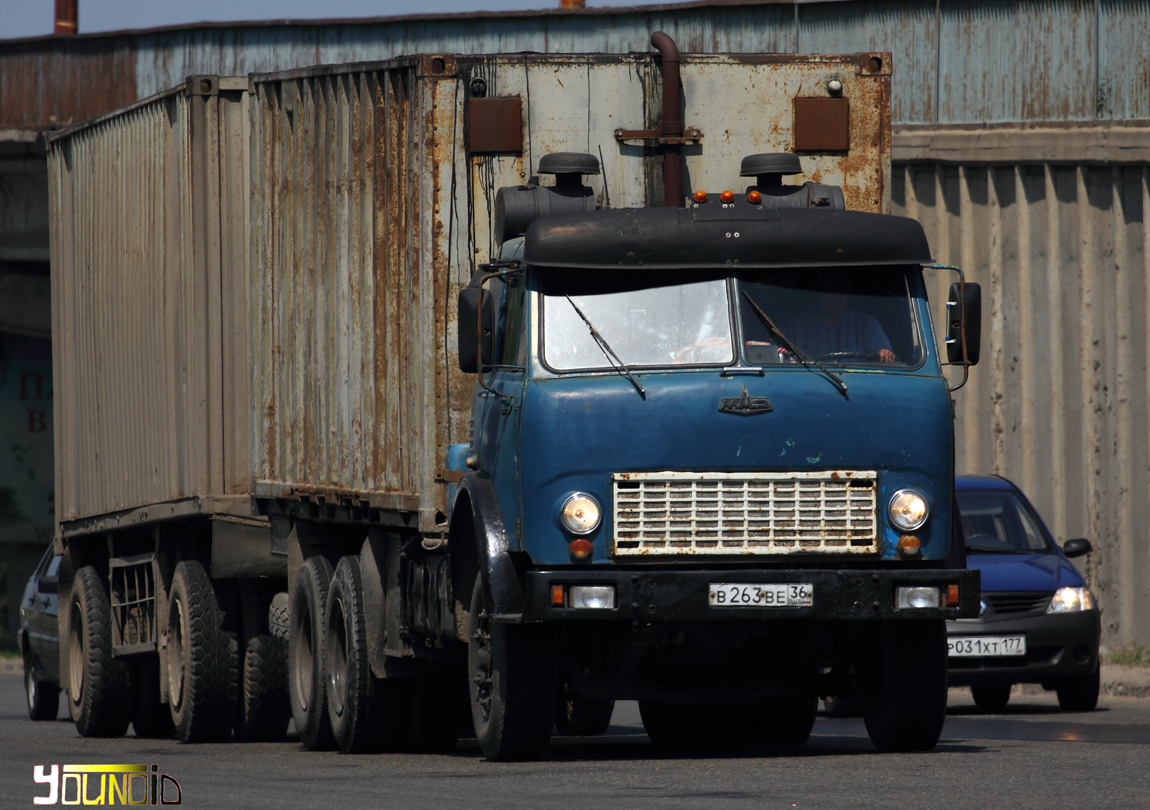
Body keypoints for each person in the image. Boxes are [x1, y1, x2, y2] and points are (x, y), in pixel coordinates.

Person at [773, 276, 897, 363]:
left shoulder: (866, 324)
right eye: (827, 292)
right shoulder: (791, 327)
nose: (834, 298)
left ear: (848, 294)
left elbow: (885, 357)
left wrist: (885, 354)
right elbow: (771, 356)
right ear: (815, 294)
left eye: (840, 291)